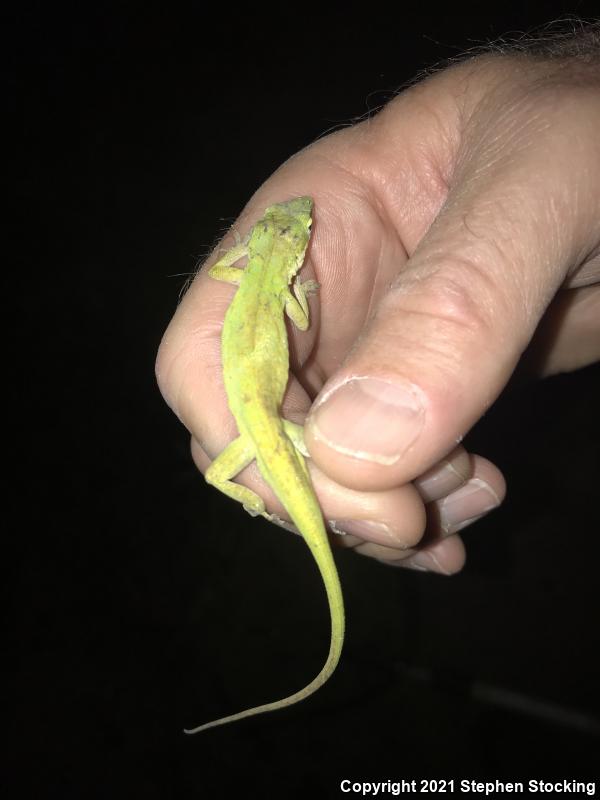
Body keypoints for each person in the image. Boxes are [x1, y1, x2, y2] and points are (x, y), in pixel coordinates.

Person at [156, 23, 600, 575]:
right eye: (296, 228)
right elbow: (295, 309)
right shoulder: (283, 295)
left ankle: (257, 496)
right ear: (292, 252)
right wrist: (305, 288)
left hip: (257, 428)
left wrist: (254, 253)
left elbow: (227, 270)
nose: (303, 220)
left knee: (228, 471)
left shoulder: (248, 279)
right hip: (268, 422)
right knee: (326, 467)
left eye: (299, 225)